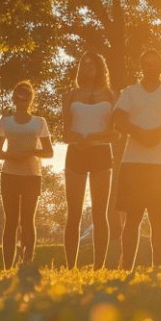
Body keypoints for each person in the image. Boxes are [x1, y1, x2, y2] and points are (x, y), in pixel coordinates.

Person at [113, 50, 161, 270]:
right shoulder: (129, 92)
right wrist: (138, 132)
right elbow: (118, 118)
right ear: (142, 66)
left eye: (156, 63)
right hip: (134, 161)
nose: (152, 67)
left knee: (158, 217)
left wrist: (156, 133)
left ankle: (158, 266)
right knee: (132, 218)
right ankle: (126, 266)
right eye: (147, 63)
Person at [62, 53, 117, 269]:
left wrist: (93, 138)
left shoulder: (112, 95)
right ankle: (70, 266)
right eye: (84, 64)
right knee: (73, 212)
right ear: (80, 68)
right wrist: (77, 139)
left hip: (101, 153)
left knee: (99, 212)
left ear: (100, 67)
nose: (88, 67)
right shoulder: (70, 95)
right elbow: (65, 132)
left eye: (92, 63)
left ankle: (98, 266)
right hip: (75, 153)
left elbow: (116, 134)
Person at [0, 81, 52, 268]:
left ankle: (27, 263)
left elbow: (49, 152)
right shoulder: (5, 121)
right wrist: (11, 155)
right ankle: (7, 266)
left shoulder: (39, 122)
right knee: (10, 221)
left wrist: (31, 152)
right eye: (19, 94)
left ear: (31, 98)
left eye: (26, 94)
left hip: (32, 175)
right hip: (9, 174)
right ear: (14, 97)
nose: (22, 97)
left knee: (27, 219)